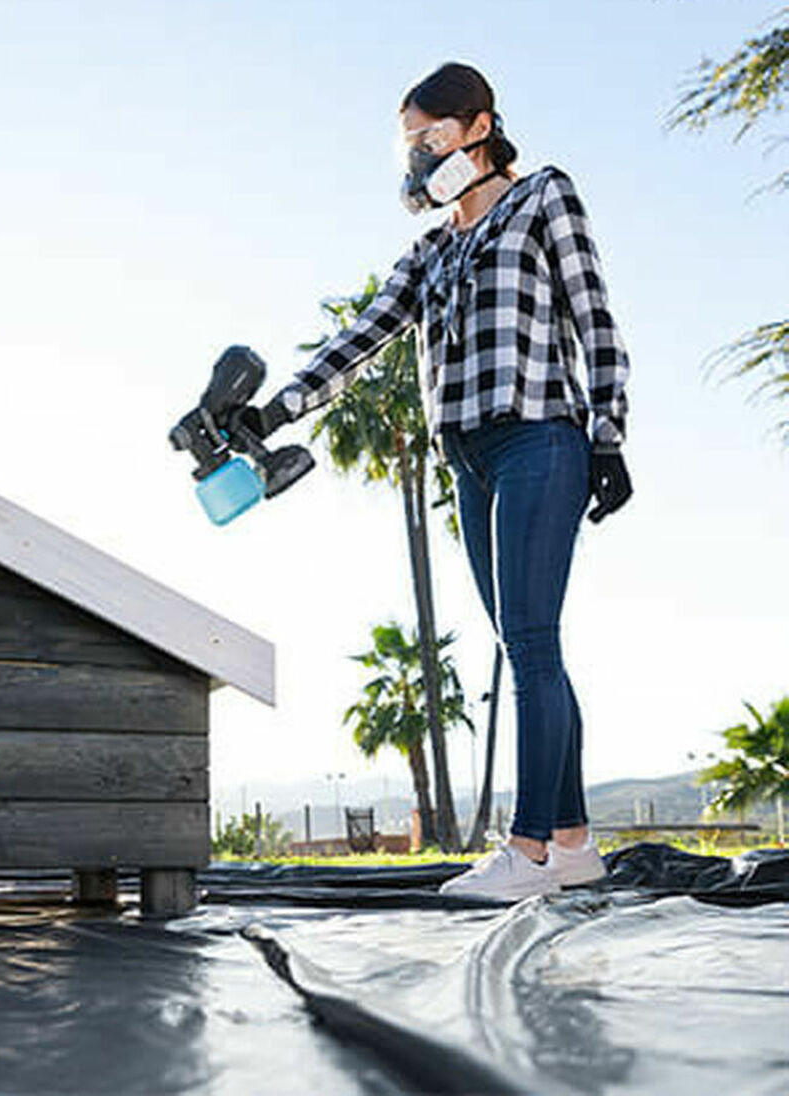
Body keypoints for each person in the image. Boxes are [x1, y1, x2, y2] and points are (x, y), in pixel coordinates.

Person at [240, 61, 633, 901]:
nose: (419, 154)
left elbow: (593, 318)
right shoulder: (430, 250)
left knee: (531, 643)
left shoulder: (544, 198)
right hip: (467, 452)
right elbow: (360, 339)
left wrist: (608, 436)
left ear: (480, 128)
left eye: (433, 136)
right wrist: (273, 413)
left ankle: (527, 852)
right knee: (526, 645)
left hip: (539, 436)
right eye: (410, 143)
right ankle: (572, 845)